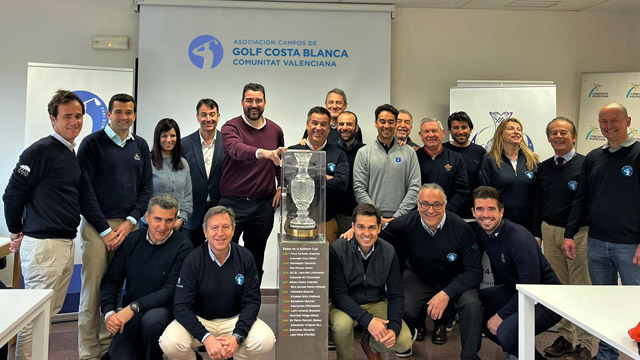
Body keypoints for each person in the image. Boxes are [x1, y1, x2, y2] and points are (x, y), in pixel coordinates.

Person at [3, 90, 84, 360]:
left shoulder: (69, 152)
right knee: (33, 320)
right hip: (44, 246)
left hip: (62, 243)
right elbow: (13, 193)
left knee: (47, 314)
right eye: (67, 116)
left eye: (78, 116)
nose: (74, 121)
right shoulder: (40, 151)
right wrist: (16, 229)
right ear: (53, 119)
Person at [77, 93, 153, 360]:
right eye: (118, 112)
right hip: (98, 228)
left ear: (135, 115)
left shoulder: (140, 145)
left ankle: (111, 347)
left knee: (125, 288)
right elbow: (84, 191)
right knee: (93, 292)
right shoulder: (91, 144)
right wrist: (106, 230)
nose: (124, 117)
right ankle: (89, 352)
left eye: (129, 112)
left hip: (130, 228)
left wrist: (131, 221)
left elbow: (146, 189)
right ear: (109, 114)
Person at [564, 102, 640, 360]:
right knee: (604, 306)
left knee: (635, 304)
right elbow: (581, 198)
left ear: (628, 121)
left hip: (631, 245)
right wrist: (569, 233)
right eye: (603, 122)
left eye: (614, 121)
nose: (609, 127)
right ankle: (606, 355)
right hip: (596, 242)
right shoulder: (594, 157)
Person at [376, 183, 484, 359]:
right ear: (417, 204)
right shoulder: (406, 223)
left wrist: (446, 293)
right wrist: (354, 230)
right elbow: (377, 237)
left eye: (436, 204)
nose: (430, 210)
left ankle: (469, 356)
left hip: (455, 279)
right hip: (420, 276)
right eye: (424, 204)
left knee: (472, 306)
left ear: (445, 205)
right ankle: (408, 337)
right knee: (404, 306)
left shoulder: (461, 228)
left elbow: (474, 271)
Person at [159, 206, 275, 360]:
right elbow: (181, 306)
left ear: (233, 230)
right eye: (214, 228)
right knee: (169, 343)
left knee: (265, 340)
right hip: (200, 319)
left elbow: (252, 301)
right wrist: (206, 337)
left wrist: (237, 336)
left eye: (225, 227)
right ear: (205, 231)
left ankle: (234, 356)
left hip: (234, 320)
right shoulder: (193, 260)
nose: (220, 233)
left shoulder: (245, 257)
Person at [472, 186, 561, 360]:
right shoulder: (482, 233)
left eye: (491, 209)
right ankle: (517, 352)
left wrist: (501, 315)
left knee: (506, 332)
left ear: (501, 211)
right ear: (473, 212)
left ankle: (520, 350)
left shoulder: (518, 239)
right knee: (476, 306)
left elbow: (531, 288)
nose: (486, 215)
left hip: (545, 299)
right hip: (516, 292)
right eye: (480, 209)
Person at [100, 194, 192, 360]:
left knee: (152, 321)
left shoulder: (183, 246)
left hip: (164, 312)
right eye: (157, 219)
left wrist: (134, 307)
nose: (162, 226)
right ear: (147, 217)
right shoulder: (131, 241)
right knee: (116, 356)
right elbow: (111, 281)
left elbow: (170, 291)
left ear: (176, 219)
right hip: (133, 313)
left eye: (169, 220)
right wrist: (109, 313)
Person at [533, 117, 592, 360]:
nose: (558, 136)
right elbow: (538, 202)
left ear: (574, 136)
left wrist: (571, 231)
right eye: (554, 133)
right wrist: (538, 233)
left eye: (564, 132)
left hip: (578, 233)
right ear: (548, 138)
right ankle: (566, 337)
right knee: (560, 288)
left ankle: (585, 343)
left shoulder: (586, 165)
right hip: (550, 231)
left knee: (581, 289)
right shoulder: (544, 167)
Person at [219, 83, 285, 280]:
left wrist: (281, 186)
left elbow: (280, 162)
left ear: (265, 103)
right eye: (249, 100)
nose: (254, 105)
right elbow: (236, 150)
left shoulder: (275, 130)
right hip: (232, 205)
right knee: (224, 255)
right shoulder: (230, 127)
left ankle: (251, 306)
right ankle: (226, 306)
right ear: (242, 102)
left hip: (263, 207)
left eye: (258, 100)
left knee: (256, 258)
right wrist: (263, 153)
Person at [329, 203, 412, 360]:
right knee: (341, 326)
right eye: (361, 227)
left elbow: (396, 294)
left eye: (372, 227)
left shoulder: (389, 251)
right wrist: (369, 321)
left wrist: (393, 328)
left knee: (404, 341)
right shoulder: (338, 249)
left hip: (376, 301)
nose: (366, 233)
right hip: (344, 304)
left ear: (379, 228)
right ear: (353, 226)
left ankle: (369, 342)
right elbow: (338, 295)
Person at [352, 104, 421, 227]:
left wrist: (398, 216)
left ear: (395, 124)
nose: (386, 126)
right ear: (376, 123)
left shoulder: (409, 152)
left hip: (403, 220)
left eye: (391, 122)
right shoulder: (364, 152)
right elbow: (359, 189)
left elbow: (415, 188)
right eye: (382, 121)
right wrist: (376, 216)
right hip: (372, 220)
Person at [287, 106, 348, 242]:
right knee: (295, 262)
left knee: (325, 263)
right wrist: (324, 176)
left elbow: (341, 185)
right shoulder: (292, 152)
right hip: (295, 221)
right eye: (315, 123)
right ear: (307, 125)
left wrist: (306, 174)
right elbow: (288, 181)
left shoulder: (338, 154)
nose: (318, 128)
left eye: (323, 124)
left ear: (329, 128)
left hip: (325, 223)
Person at [479, 118, 539, 233]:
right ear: (501, 134)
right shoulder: (490, 160)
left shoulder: (532, 160)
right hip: (500, 225)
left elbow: (538, 197)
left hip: (529, 226)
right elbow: (485, 195)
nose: (516, 132)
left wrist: (537, 231)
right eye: (511, 129)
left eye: (519, 129)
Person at [182, 99, 224, 248]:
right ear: (197, 117)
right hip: (192, 212)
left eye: (212, 114)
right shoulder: (184, 144)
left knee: (220, 255)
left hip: (220, 209)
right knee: (190, 255)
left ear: (218, 116)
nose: (208, 119)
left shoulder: (228, 143)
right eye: (204, 115)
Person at [141, 119, 192, 233]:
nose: (169, 140)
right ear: (158, 138)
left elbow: (187, 197)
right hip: (150, 226)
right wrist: (150, 219)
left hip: (175, 225)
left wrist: (181, 218)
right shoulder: (147, 162)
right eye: (164, 136)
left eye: (172, 136)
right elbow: (141, 195)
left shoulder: (183, 164)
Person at [415, 118, 469, 217]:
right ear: (420, 135)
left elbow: (462, 191)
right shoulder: (414, 157)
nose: (431, 135)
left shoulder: (456, 158)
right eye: (426, 131)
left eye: (434, 131)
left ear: (443, 133)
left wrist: (445, 213)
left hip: (448, 216)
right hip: (420, 215)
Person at [442, 111, 487, 219]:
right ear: (449, 131)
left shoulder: (480, 152)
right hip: (446, 211)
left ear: (470, 130)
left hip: (474, 212)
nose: (460, 131)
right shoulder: (442, 150)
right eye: (456, 128)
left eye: (464, 127)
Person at [335, 111, 366, 235]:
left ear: (356, 128)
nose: (345, 128)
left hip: (361, 213)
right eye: (341, 124)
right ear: (336, 126)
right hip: (335, 215)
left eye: (349, 124)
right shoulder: (330, 151)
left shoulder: (366, 151)